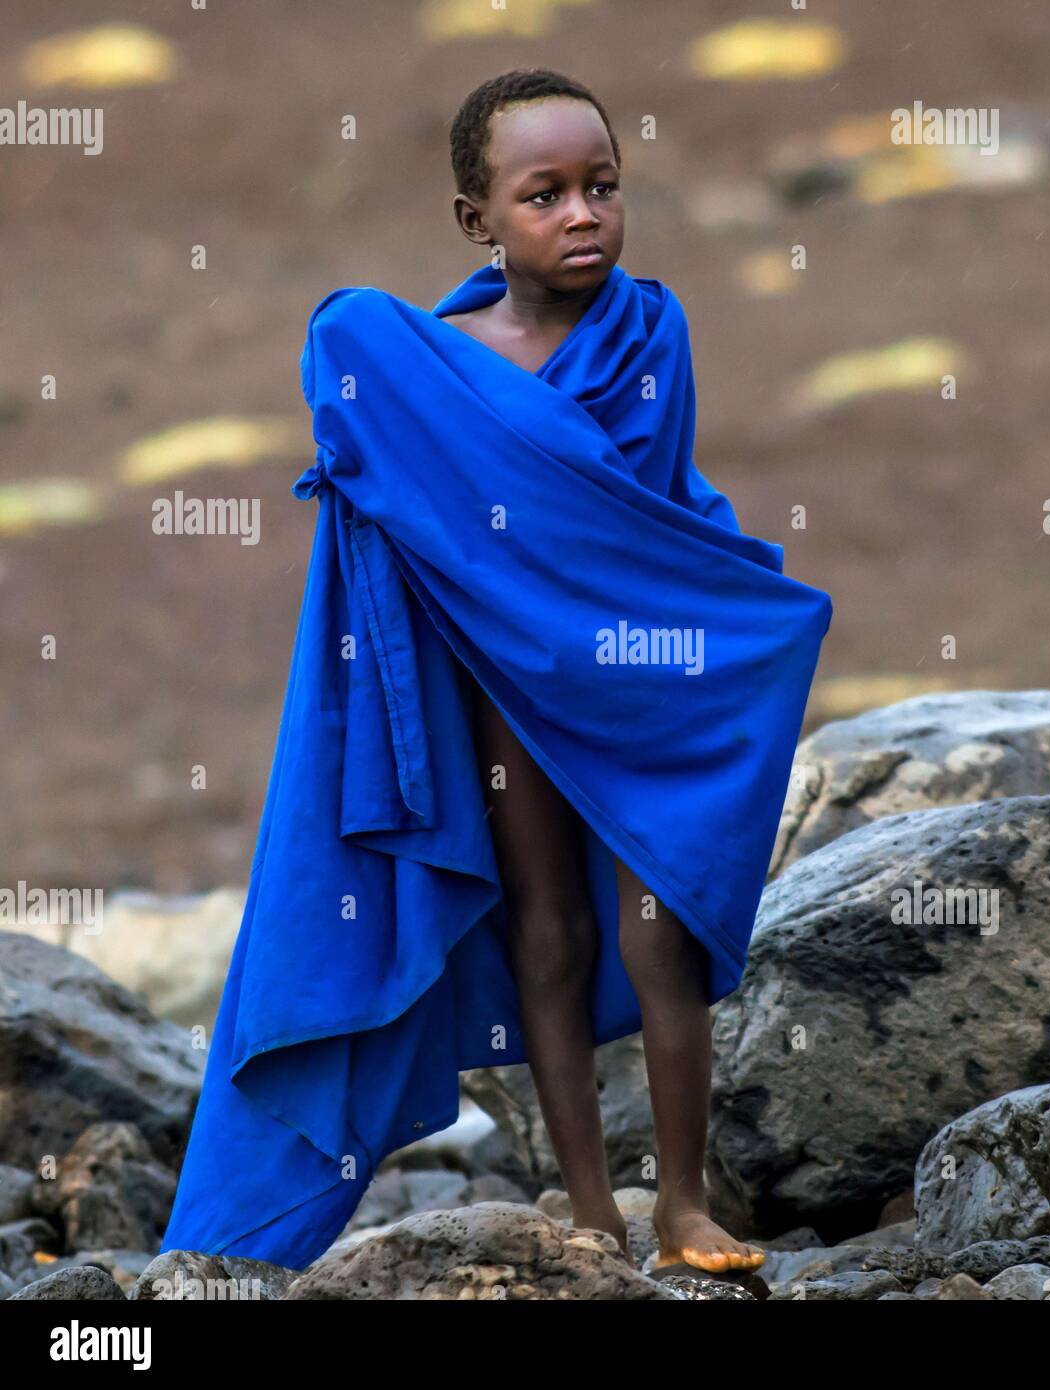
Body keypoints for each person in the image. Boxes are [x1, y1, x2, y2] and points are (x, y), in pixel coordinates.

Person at [159, 66, 832, 1281]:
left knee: (655, 929)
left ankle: (684, 1201)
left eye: (602, 187)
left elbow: (621, 527)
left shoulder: (646, 330)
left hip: (638, 685)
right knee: (545, 930)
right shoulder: (433, 360)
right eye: (545, 195)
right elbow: (402, 471)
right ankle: (589, 1208)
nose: (582, 215)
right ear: (480, 221)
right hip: (501, 692)